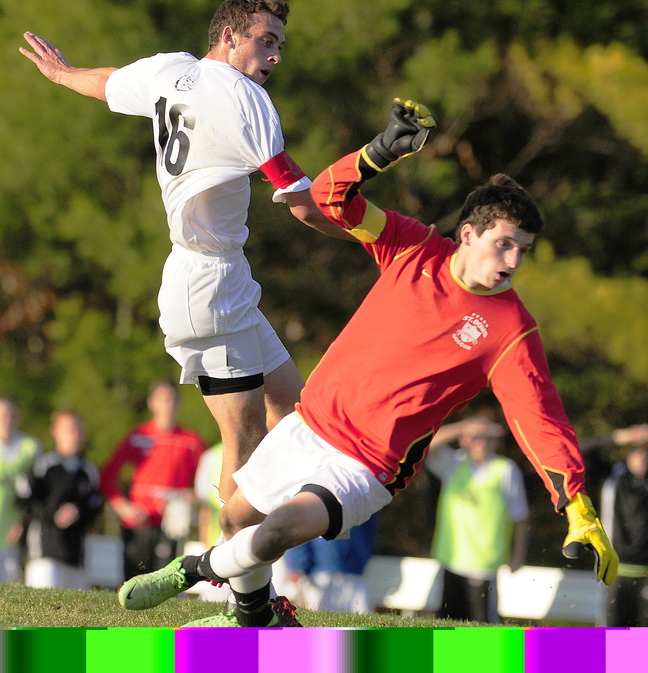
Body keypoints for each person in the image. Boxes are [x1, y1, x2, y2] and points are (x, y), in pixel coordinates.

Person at [114, 99, 618, 628]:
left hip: (369, 463)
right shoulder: (412, 246)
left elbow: (539, 417)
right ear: (468, 234)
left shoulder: (511, 327)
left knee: (274, 534)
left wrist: (577, 503)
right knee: (235, 517)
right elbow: (327, 200)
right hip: (311, 423)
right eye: (505, 244)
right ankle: (254, 617)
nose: (513, 261)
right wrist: (378, 152)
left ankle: (192, 569)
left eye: (524, 251)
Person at [19, 0, 352, 516]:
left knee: (291, 409)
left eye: (279, 44)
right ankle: (239, 587)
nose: (275, 55)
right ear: (229, 36)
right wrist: (379, 240)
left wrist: (63, 75)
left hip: (220, 277)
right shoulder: (249, 102)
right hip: (208, 284)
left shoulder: (170, 69)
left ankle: (255, 560)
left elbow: (109, 82)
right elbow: (303, 208)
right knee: (243, 438)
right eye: (266, 40)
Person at [425, 417, 529, 623]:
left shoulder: (506, 470)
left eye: (487, 438)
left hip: (484, 565)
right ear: (465, 440)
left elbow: (521, 518)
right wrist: (462, 427)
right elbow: (425, 446)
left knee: (482, 627)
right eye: (475, 438)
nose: (481, 443)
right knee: (446, 625)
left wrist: (518, 555)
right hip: (451, 561)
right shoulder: (454, 464)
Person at [100, 380, 206, 579]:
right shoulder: (138, 436)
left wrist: (190, 499)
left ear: (179, 403)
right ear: (151, 403)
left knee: (167, 584)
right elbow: (108, 476)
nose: (167, 405)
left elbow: (208, 482)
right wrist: (123, 507)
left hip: (172, 526)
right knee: (134, 583)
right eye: (162, 399)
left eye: (171, 399)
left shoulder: (191, 442)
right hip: (138, 524)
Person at [16, 411, 102, 589]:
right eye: (68, 430)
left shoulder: (88, 471)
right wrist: (52, 515)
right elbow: (24, 500)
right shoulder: (43, 466)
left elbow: (95, 505)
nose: (74, 436)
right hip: (44, 553)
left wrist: (78, 512)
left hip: (75, 556)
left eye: (78, 430)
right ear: (55, 432)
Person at [599, 424, 648, 626]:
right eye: (636, 451)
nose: (641, 457)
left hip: (645, 575)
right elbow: (582, 450)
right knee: (611, 643)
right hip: (614, 572)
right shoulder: (613, 476)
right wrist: (621, 436)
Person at [282, 514, 378, 614]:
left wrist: (363, 557)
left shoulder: (363, 500)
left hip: (355, 573)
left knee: (360, 618)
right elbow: (301, 531)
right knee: (319, 617)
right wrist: (298, 566)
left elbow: (369, 532)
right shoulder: (313, 501)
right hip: (321, 573)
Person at [0, 397, 42, 583]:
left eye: (10, 415)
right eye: (1, 415)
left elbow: (35, 492)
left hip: (11, 529)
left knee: (9, 587)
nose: (5, 420)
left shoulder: (30, 447)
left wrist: (22, 522)